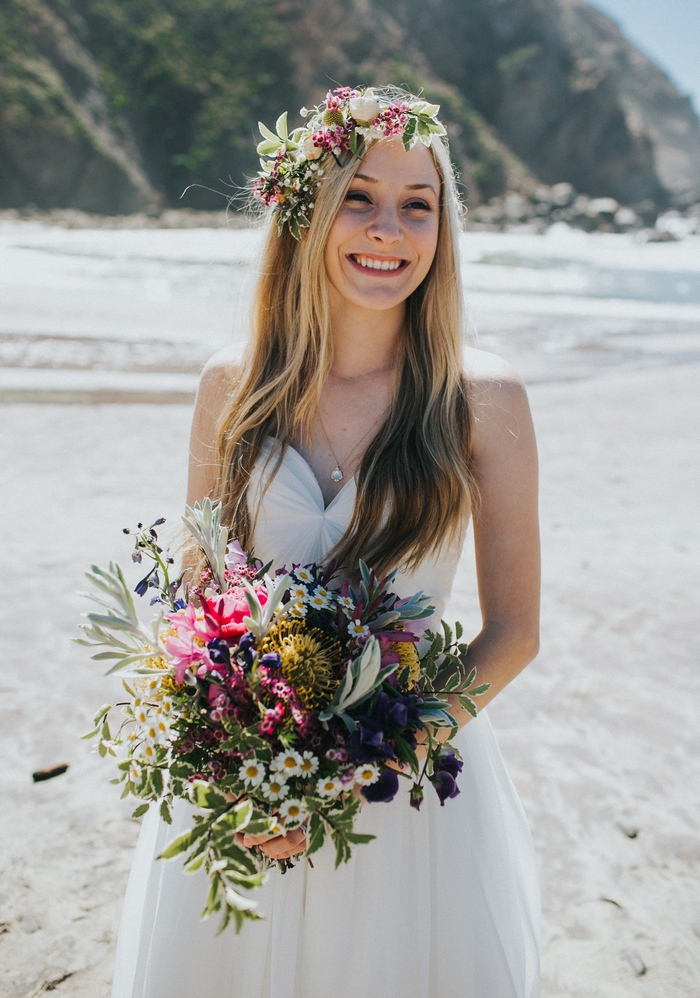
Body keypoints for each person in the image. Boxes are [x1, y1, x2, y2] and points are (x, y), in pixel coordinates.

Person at [112, 86, 541, 998]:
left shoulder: (482, 399)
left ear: (443, 227)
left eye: (416, 205)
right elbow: (200, 599)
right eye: (359, 195)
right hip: (243, 783)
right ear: (306, 209)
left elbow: (514, 634)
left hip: (405, 793)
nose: (388, 229)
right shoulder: (232, 386)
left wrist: (351, 775)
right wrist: (234, 758)